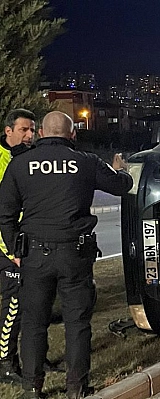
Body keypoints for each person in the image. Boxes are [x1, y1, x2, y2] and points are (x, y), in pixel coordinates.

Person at [0, 111, 132, 398]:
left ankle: (32, 388)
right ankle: (76, 387)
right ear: (72, 135)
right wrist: (120, 168)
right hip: (75, 254)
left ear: (43, 134)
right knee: (77, 322)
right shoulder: (86, 162)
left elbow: (6, 214)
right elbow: (122, 186)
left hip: (34, 256)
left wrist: (14, 250)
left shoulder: (20, 164)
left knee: (34, 323)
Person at [0, 109, 35, 383]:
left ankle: (33, 355)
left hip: (28, 245)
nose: (30, 135)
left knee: (35, 302)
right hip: (8, 249)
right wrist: (11, 251)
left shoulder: (29, 159)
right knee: (14, 304)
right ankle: (6, 363)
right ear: (8, 130)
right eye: (24, 130)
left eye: (32, 130)